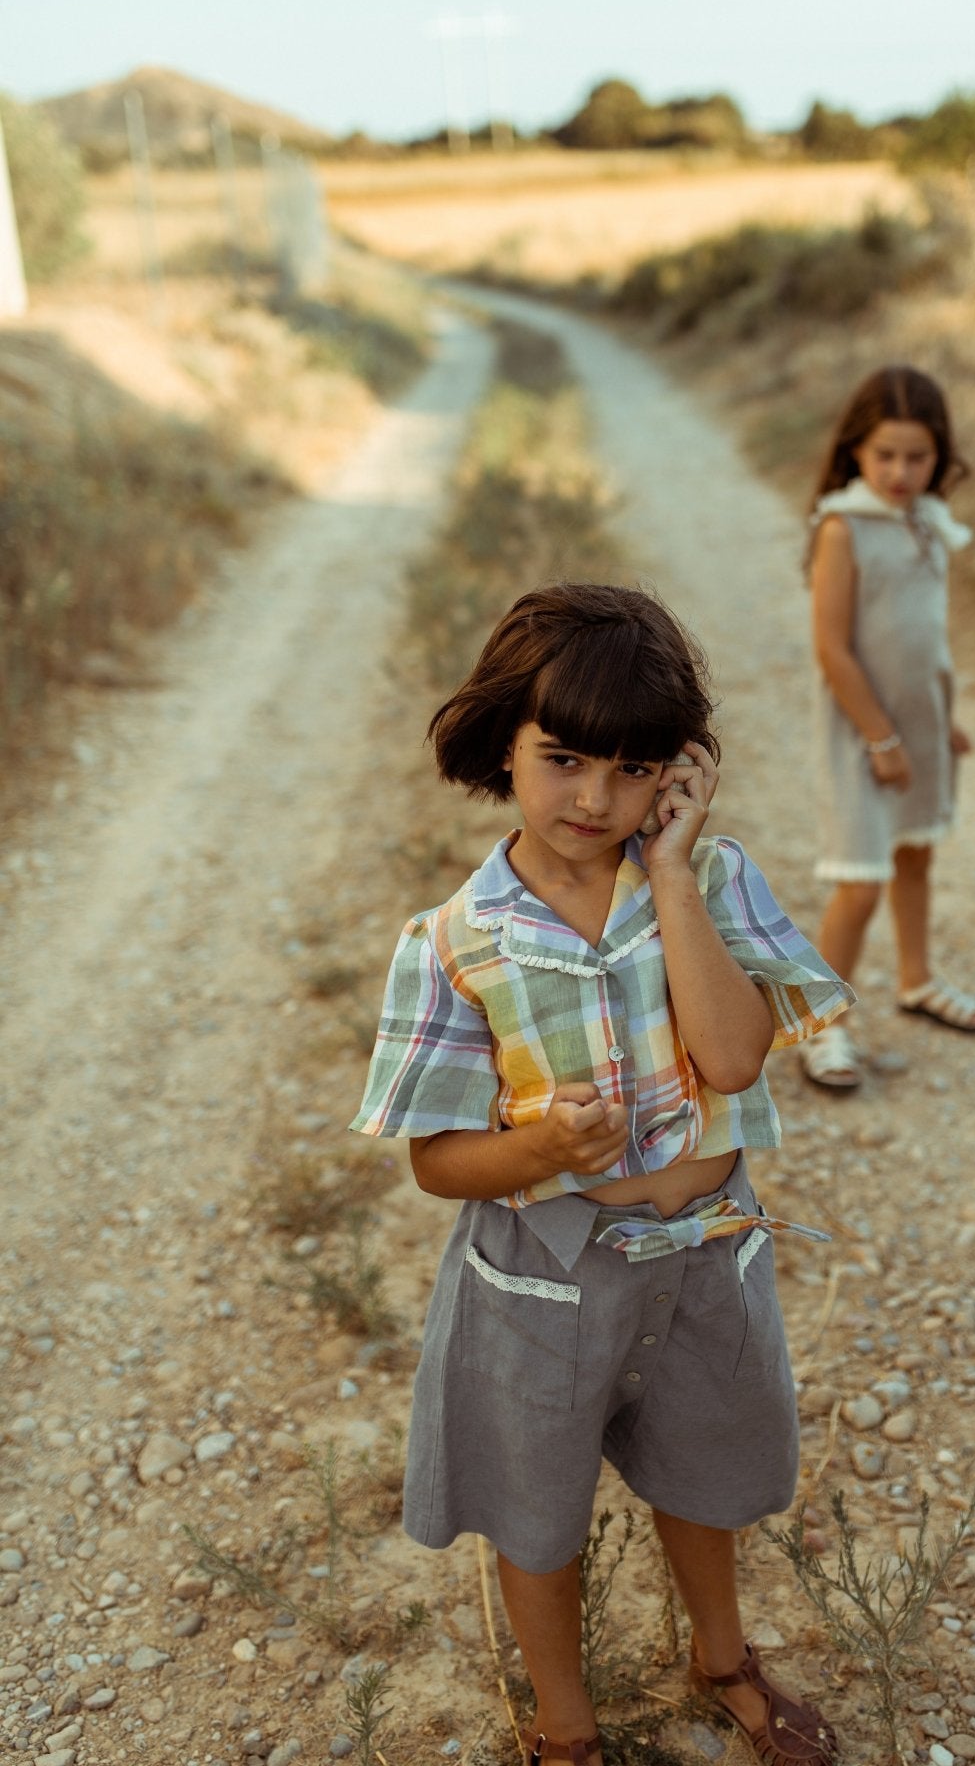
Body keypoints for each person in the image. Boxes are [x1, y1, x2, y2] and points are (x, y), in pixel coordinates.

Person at [351, 583, 850, 1766]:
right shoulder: (453, 940)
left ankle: (721, 1658)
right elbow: (437, 1160)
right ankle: (564, 1728)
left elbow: (731, 1055)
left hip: (706, 1247)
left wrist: (670, 871)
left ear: (675, 774)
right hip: (543, 1271)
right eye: (562, 757)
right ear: (502, 746)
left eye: (632, 770)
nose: (595, 798)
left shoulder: (712, 879)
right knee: (533, 1504)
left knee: (702, 1467)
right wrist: (543, 1150)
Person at [799, 365, 975, 1092]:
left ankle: (916, 980)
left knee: (916, 855)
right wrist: (881, 739)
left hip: (921, 730)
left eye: (917, 456)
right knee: (861, 882)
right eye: (885, 456)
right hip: (864, 734)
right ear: (856, 451)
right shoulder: (843, 528)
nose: (901, 471)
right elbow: (833, 649)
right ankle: (824, 1025)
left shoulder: (928, 523)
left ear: (939, 454)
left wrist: (946, 720)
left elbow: (922, 641)